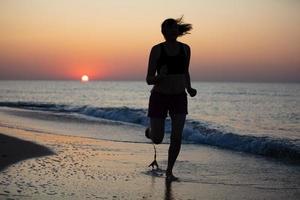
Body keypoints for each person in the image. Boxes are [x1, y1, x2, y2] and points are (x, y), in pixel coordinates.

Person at [145, 17, 197, 181]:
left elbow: (185, 72)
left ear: (178, 31)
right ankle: (150, 133)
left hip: (179, 97)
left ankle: (169, 171)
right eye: (169, 29)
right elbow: (148, 79)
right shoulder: (157, 50)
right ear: (163, 32)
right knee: (158, 139)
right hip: (159, 96)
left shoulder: (186, 49)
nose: (173, 31)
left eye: (175, 28)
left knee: (176, 137)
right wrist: (160, 76)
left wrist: (189, 88)